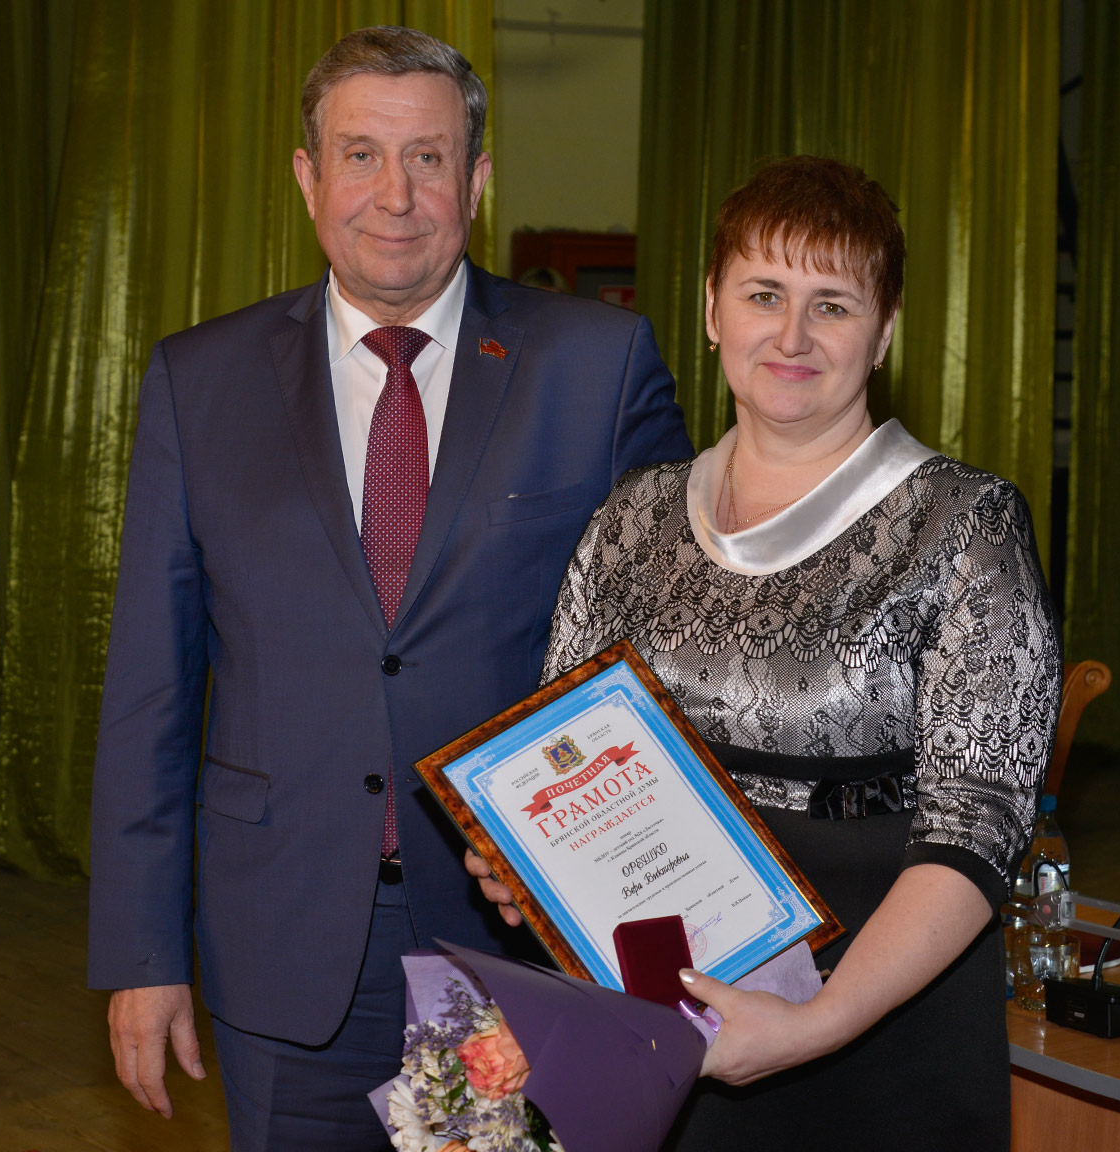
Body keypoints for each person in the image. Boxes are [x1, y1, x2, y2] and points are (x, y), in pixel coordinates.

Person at [87, 25, 691, 1152]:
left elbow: (673, 658)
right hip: (283, 942)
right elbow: (151, 690)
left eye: (428, 158)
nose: (396, 195)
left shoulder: (596, 367)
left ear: (478, 178)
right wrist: (142, 952)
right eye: (361, 155)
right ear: (308, 176)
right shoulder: (199, 381)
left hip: (515, 945)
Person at [470, 155, 1060, 1149]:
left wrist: (815, 1023)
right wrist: (523, 858)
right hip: (654, 1023)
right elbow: (560, 748)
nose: (792, 336)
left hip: (872, 1037)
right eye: (763, 294)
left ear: (884, 330)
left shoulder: (964, 525)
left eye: (832, 305)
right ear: (712, 308)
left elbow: (980, 824)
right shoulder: (632, 517)